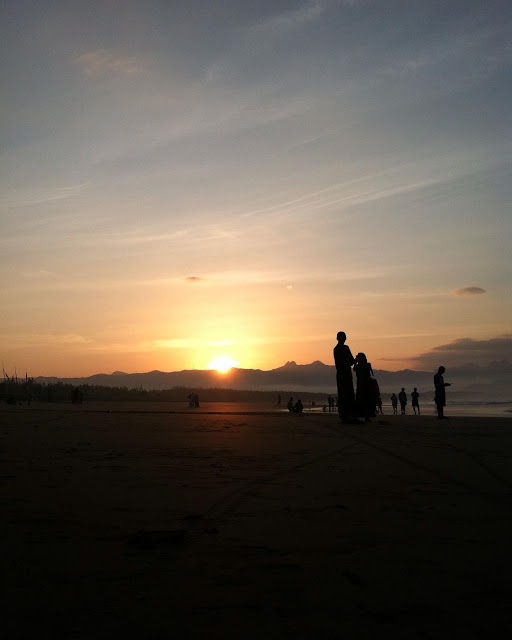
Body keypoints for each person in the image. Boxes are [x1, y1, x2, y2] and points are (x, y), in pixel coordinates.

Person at [333, 331, 358, 424]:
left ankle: (344, 416)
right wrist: (356, 360)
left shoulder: (336, 349)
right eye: (344, 337)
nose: (344, 339)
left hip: (341, 374)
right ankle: (350, 416)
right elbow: (350, 362)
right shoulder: (345, 348)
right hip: (345, 374)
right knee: (349, 394)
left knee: (343, 395)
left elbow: (340, 363)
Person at [354, 352, 375, 422]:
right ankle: (366, 416)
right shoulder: (367, 365)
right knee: (366, 400)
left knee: (362, 400)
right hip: (365, 384)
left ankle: (363, 416)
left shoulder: (359, 365)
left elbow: (355, 369)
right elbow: (372, 373)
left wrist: (355, 361)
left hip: (362, 384)